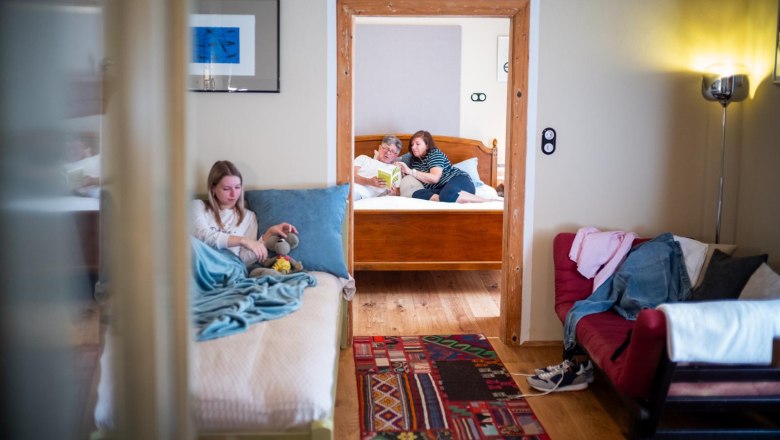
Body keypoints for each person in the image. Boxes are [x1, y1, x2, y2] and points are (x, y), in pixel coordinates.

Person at [191, 160, 297, 266]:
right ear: (213, 189)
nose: (234, 194)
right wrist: (242, 240)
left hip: (230, 267)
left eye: (237, 187)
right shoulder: (197, 206)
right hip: (202, 265)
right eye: (226, 189)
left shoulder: (248, 216)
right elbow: (202, 237)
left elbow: (244, 260)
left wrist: (268, 234)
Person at [395, 130, 492, 203]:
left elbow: (434, 178)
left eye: (417, 144)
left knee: (447, 193)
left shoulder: (434, 154)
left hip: (459, 181)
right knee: (417, 193)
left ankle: (486, 201)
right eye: (412, 144)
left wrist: (410, 171)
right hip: (441, 189)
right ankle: (450, 198)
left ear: (427, 145)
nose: (413, 147)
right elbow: (394, 159)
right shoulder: (413, 160)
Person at [353, 135, 404, 200]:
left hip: (361, 195)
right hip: (350, 187)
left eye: (392, 151)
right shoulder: (363, 158)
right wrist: (369, 181)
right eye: (386, 148)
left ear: (396, 155)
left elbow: (397, 194)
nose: (388, 153)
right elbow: (351, 177)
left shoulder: (395, 170)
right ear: (380, 148)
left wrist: (393, 193)